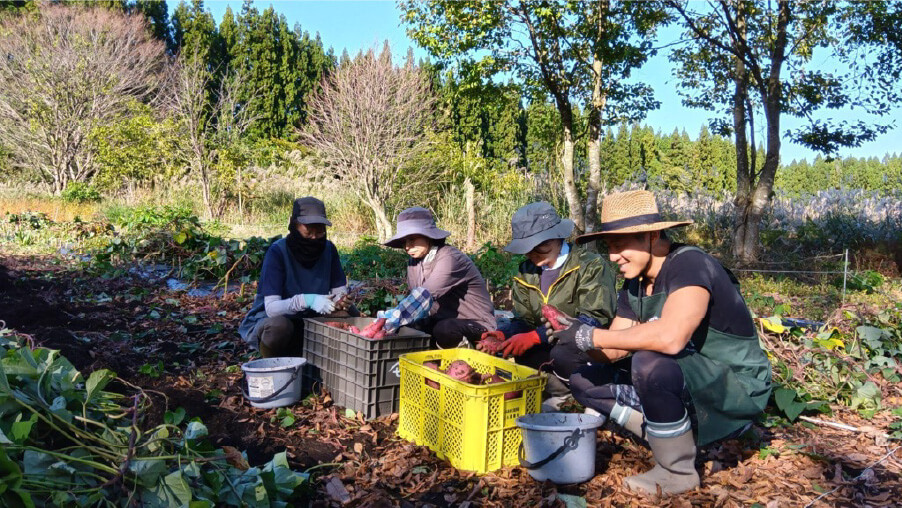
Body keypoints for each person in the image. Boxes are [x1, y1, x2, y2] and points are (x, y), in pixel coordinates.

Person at [550, 190, 772, 495]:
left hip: (735, 386)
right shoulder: (635, 283)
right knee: (583, 380)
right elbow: (613, 349)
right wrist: (575, 336)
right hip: (690, 379)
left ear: (652, 236)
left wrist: (591, 335)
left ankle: (676, 471)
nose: (613, 257)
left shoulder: (689, 264)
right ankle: (669, 434)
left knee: (649, 362)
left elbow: (670, 338)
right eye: (609, 247)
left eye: (619, 245)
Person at [484, 201, 617, 412]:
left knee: (563, 353)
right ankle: (559, 393)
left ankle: (589, 395)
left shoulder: (590, 265)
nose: (532, 255)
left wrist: (536, 336)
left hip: (585, 347)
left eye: (539, 246)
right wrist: (504, 333)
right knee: (524, 351)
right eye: (527, 249)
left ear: (557, 237)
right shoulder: (526, 271)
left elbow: (593, 318)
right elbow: (525, 319)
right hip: (550, 348)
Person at [238, 197, 351, 357]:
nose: (314, 237)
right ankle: (273, 364)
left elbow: (339, 290)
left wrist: (340, 301)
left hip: (311, 316)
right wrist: (307, 300)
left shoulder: (329, 250)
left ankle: (322, 363)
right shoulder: (278, 252)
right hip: (278, 318)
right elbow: (272, 308)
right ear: (294, 225)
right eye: (308, 231)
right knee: (279, 326)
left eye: (319, 231)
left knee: (349, 315)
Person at [380, 207, 496, 347]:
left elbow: (425, 295)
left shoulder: (450, 258)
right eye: (404, 241)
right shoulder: (414, 262)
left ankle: (469, 352)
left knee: (444, 330)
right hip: (442, 319)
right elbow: (416, 302)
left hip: (475, 323)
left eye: (412, 239)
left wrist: (389, 321)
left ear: (428, 236)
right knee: (410, 328)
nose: (407, 247)